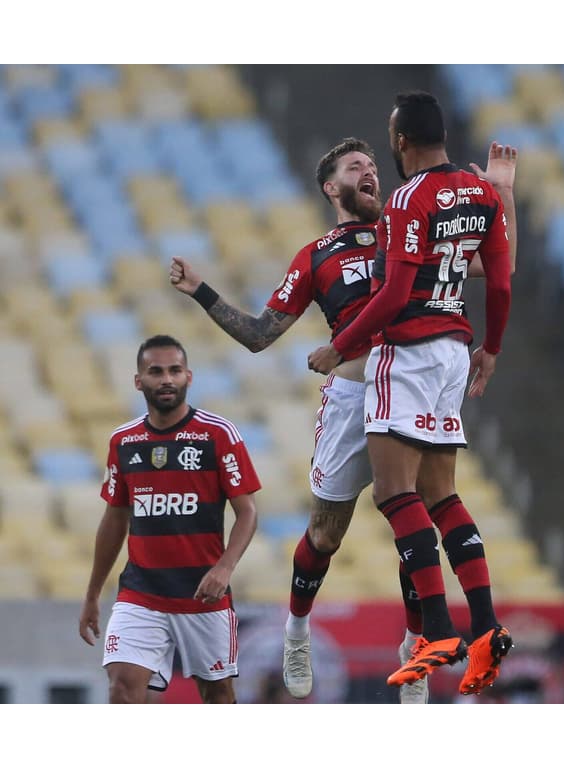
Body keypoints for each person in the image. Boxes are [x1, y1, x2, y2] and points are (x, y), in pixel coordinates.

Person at [170, 136, 517, 703]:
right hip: (354, 393)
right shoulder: (316, 256)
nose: (371, 173)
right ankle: (298, 628)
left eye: (374, 165)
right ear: (332, 188)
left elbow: (498, 260)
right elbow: (260, 335)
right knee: (326, 533)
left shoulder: (415, 223)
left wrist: (504, 197)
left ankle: (416, 645)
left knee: (416, 512)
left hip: (408, 376)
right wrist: (201, 292)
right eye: (357, 168)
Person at [307, 90, 514, 695]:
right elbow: (499, 282)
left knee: (396, 495)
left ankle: (437, 631)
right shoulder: (482, 195)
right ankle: (486, 624)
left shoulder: (406, 199)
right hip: (455, 349)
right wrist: (492, 350)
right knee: (443, 497)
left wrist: (339, 345)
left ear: (400, 142)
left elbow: (394, 296)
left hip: (409, 351)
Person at [77, 334, 260, 704]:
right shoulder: (123, 442)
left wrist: (224, 569)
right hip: (140, 593)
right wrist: (93, 593)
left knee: (219, 697)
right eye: (156, 371)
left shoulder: (217, 435)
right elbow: (114, 519)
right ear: (138, 381)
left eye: (175, 370)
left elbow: (247, 513)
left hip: (202, 596)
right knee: (122, 688)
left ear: (188, 377)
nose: (166, 379)